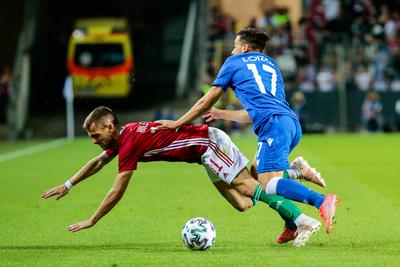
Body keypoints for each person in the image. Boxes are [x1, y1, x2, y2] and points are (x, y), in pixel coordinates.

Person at [42, 106, 321, 247]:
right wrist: (68, 184)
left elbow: (117, 191)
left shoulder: (129, 144)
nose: (94, 141)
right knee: (243, 203)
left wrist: (93, 220)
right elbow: (97, 163)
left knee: (249, 188)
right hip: (203, 155)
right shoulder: (123, 138)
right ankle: (294, 171)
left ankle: (303, 221)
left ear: (111, 126)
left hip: (208, 144)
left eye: (96, 135)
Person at [156, 27, 339, 234]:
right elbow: (256, 111)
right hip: (289, 123)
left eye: (234, 47)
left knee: (268, 184)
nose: (232, 51)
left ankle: (321, 200)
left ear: (244, 47)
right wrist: (221, 114)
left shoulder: (233, 62)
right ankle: (291, 222)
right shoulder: (272, 65)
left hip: (273, 126)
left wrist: (177, 123)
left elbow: (206, 101)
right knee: (255, 173)